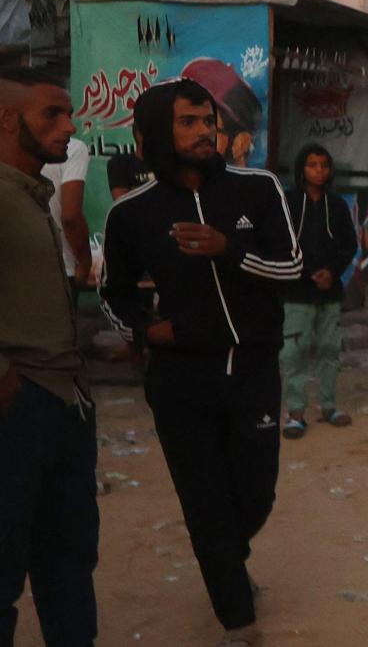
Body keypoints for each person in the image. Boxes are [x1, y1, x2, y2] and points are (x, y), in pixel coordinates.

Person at [100, 78, 302, 647]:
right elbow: (115, 294)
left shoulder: (257, 188)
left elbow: (290, 268)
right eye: (188, 122)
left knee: (255, 492)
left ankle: (228, 560)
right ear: (158, 134)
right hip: (179, 376)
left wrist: (227, 249)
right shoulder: (131, 215)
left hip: (253, 366)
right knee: (203, 499)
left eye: (208, 120)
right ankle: (237, 620)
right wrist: (144, 329)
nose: (204, 132)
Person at [0, 67, 97, 647]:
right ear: (9, 122)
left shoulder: (32, 194)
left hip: (64, 402)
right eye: (51, 116)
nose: (68, 128)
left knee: (68, 564)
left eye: (69, 115)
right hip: (21, 403)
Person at [278, 144, 358, 439]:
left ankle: (328, 406)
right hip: (296, 291)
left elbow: (349, 244)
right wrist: (306, 272)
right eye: (312, 165)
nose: (319, 170)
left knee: (329, 348)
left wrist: (332, 272)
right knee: (293, 352)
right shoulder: (287, 203)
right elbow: (280, 243)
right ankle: (295, 413)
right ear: (301, 169)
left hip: (329, 291)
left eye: (324, 164)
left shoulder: (336, 206)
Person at [43, 126, 93, 291]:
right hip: (60, 266)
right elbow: (71, 217)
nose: (71, 126)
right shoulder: (73, 148)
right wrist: (85, 261)